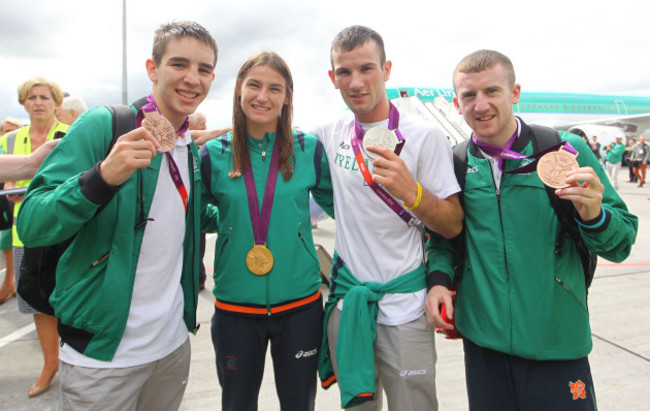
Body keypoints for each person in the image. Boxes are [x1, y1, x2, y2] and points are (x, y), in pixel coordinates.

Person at [17, 21, 219, 409]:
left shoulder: (187, 148)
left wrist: (242, 206)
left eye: (204, 69)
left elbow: (184, 219)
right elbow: (31, 223)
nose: (193, 78)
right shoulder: (105, 125)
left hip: (172, 346)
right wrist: (101, 178)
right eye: (179, 64)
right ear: (152, 69)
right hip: (101, 357)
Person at [425, 49, 638, 411]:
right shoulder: (457, 162)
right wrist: (439, 281)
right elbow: (447, 236)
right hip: (483, 343)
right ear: (457, 102)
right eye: (468, 95)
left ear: (515, 92)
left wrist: (594, 215)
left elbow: (622, 243)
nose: (480, 105)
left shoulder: (566, 150)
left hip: (555, 339)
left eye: (491, 91)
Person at [312, 26, 463, 410]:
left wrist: (411, 192)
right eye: (344, 72)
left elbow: (451, 224)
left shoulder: (425, 137)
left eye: (367, 68)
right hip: (349, 305)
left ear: (386, 69)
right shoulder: (329, 134)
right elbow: (272, 137)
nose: (356, 82)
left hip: (406, 307)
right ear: (333, 78)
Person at [201, 50, 333, 411]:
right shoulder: (213, 154)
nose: (263, 96)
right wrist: (232, 223)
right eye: (254, 85)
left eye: (275, 88)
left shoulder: (309, 150)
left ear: (287, 96)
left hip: (301, 306)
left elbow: (342, 207)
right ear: (239, 90)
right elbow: (197, 214)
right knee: (237, 404)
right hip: (235, 309)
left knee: (298, 405)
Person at [0, 77, 69, 398]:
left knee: (70, 298)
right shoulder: (11, 140)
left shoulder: (71, 135)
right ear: (23, 103)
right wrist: (8, 192)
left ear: (57, 103)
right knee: (36, 302)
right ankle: (50, 364)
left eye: (44, 97)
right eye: (31, 97)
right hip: (23, 233)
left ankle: (75, 364)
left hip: (65, 232)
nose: (38, 102)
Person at [0, 117, 24, 304]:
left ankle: (8, 284)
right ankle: (11, 283)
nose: (8, 134)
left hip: (12, 205)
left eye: (11, 130)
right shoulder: (3, 146)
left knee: (6, 243)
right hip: (5, 201)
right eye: (5, 130)